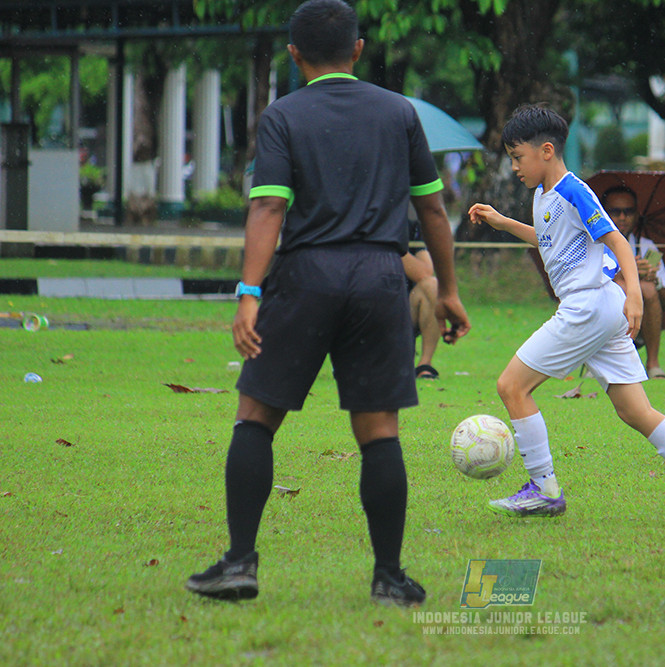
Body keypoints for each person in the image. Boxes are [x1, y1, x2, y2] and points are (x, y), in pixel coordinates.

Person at [184, 0, 471, 607]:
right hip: (378, 276)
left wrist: (249, 292)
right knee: (378, 431)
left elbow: (268, 207)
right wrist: (444, 290)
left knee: (256, 418)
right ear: (358, 50)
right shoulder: (399, 113)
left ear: (294, 55)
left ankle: (239, 563)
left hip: (306, 275)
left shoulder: (284, 115)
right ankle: (389, 577)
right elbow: (432, 210)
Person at [467, 105, 665, 522]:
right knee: (635, 410)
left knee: (511, 387)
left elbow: (616, 242)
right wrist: (504, 223)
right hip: (601, 310)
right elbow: (549, 241)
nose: (514, 166)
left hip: (588, 307)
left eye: (517, 157)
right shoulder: (544, 195)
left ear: (545, 151)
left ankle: (544, 489)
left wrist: (635, 294)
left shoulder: (574, 191)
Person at [602, 185, 665, 379]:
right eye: (615, 212)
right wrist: (624, 275)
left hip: (638, 322)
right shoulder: (595, 244)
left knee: (648, 289)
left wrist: (654, 278)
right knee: (620, 287)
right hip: (601, 317)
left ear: (637, 215)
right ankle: (600, 359)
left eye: (629, 211)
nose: (623, 217)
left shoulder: (646, 247)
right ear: (604, 212)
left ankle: (653, 364)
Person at [403, 248, 443, 379]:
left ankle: (424, 364)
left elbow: (425, 272)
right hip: (367, 304)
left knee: (431, 285)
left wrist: (393, 246)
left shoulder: (408, 228)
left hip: (403, 311)